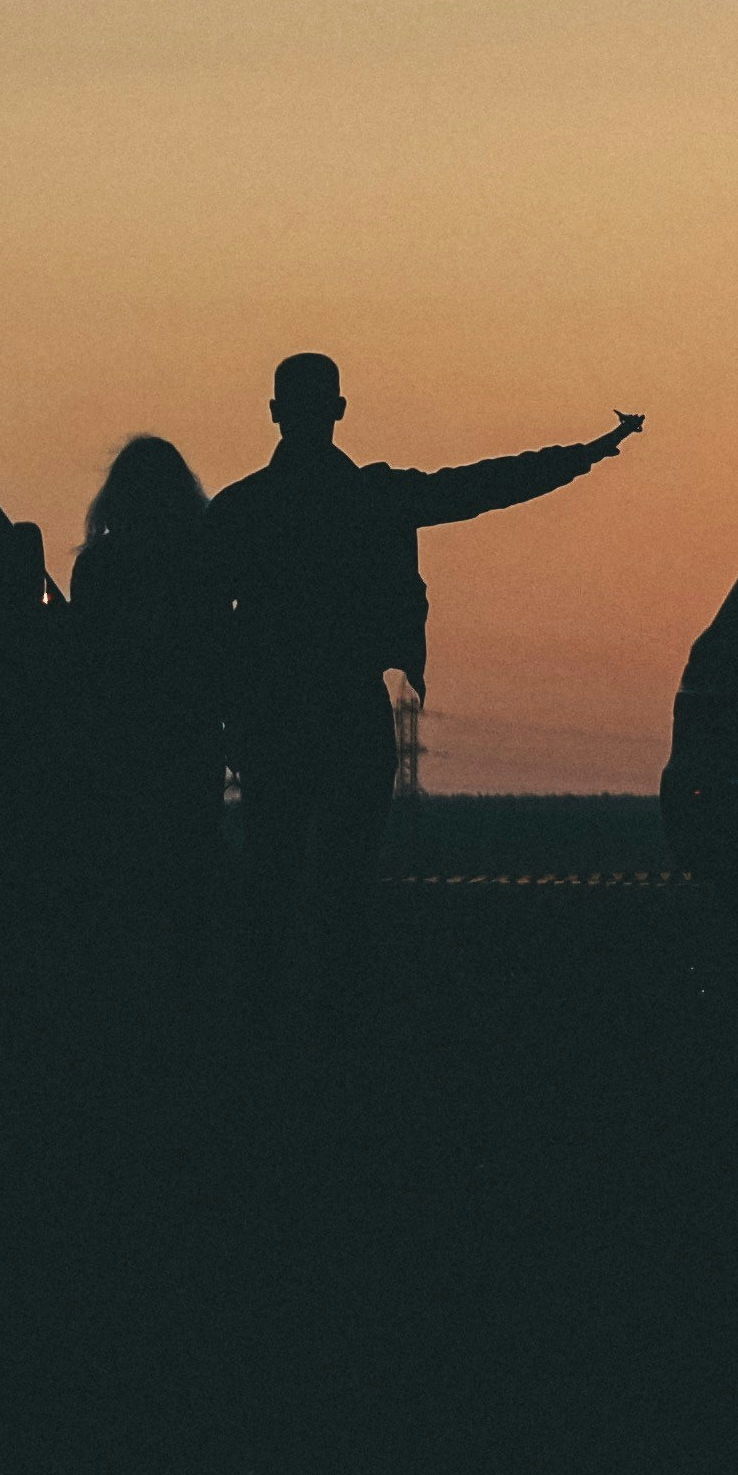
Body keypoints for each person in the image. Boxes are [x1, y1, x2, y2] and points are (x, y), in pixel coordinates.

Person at [210, 353, 638, 1045]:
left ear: (275, 413)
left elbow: (207, 627)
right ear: (339, 411)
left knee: (272, 885)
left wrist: (226, 719)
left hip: (275, 721)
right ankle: (337, 1033)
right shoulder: (372, 499)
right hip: (348, 715)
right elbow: (479, 488)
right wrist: (581, 456)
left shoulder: (241, 509)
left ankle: (262, 1037)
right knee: (344, 892)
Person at [69, 434, 226, 1028]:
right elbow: (215, 653)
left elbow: (87, 663)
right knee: (188, 885)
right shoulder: (201, 563)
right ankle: (190, 1014)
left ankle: (123, 1018)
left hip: (118, 749)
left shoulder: (99, 568)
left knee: (125, 887)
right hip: (187, 744)